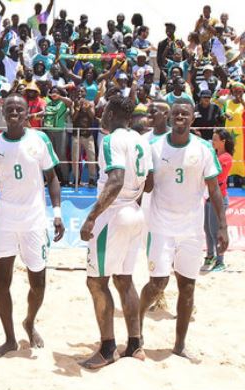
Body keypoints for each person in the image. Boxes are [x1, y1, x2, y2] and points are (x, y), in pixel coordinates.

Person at [0, 93, 65, 358]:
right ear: (3, 113)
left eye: (20, 109)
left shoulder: (40, 139)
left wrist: (57, 213)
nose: (14, 112)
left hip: (34, 220)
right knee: (1, 282)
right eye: (10, 108)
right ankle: (10, 339)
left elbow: (52, 179)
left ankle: (29, 321)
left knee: (37, 282)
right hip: (4, 220)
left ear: (28, 113)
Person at [140, 100, 229, 359]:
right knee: (158, 283)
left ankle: (179, 346)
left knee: (187, 286)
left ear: (192, 118)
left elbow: (214, 189)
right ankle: (137, 330)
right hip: (161, 225)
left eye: (185, 114)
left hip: (191, 228)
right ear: (170, 118)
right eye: (176, 113)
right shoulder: (155, 146)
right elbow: (146, 185)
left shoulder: (203, 148)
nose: (180, 116)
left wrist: (222, 226)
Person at [79, 95, 152, 369]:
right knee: (124, 279)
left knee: (96, 282)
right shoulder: (141, 140)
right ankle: (135, 344)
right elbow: (150, 182)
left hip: (115, 213)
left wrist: (91, 217)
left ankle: (108, 347)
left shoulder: (111, 140)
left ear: (110, 113)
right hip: (135, 211)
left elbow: (115, 180)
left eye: (104, 110)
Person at [203, 129, 234, 272]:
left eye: (215, 139)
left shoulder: (225, 157)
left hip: (219, 198)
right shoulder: (216, 155)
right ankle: (210, 255)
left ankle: (220, 261)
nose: (212, 141)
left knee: (216, 230)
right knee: (208, 229)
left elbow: (218, 178)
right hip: (210, 197)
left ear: (223, 142)